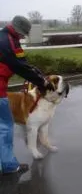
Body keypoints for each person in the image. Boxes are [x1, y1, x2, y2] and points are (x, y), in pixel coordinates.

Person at [0, 15, 55, 175]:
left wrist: (40, 75)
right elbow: (20, 67)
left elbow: (24, 63)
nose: (24, 37)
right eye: (23, 33)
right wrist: (42, 82)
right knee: (5, 126)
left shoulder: (7, 38)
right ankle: (9, 165)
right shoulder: (7, 42)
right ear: (17, 30)